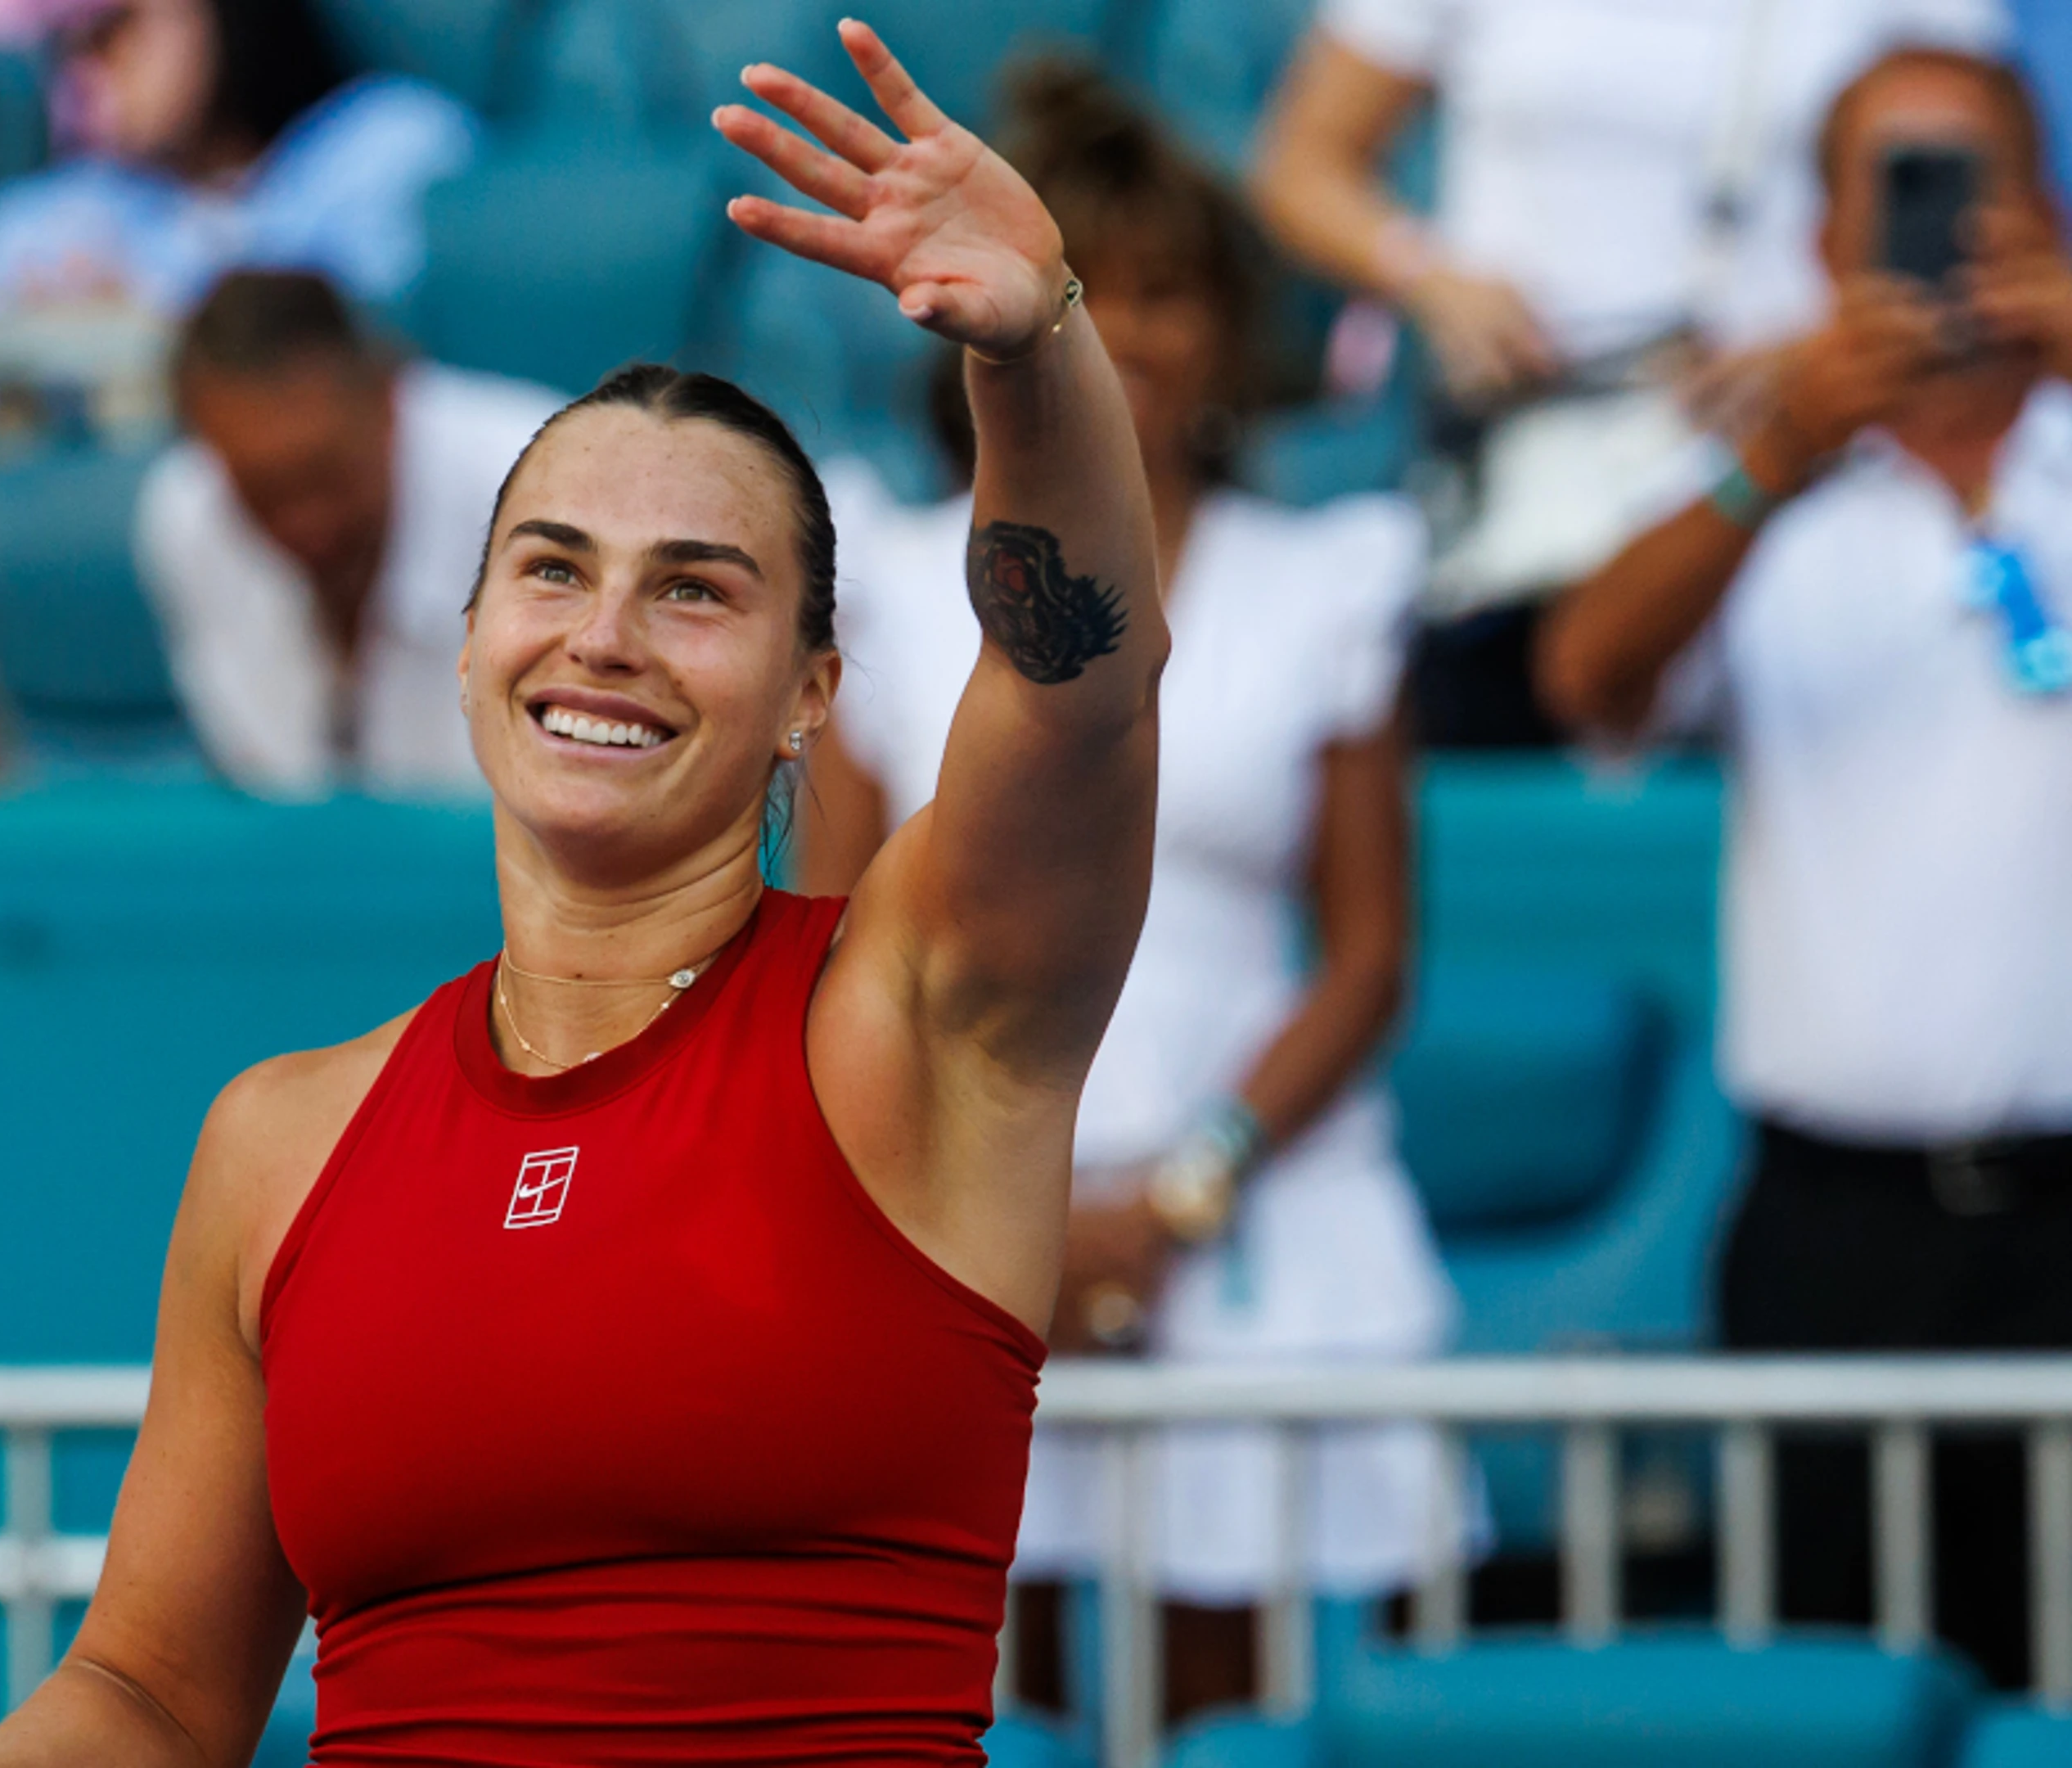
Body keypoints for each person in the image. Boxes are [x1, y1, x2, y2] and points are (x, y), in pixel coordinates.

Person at [0, 21, 1161, 1766]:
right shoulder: (278, 1146)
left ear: (811, 692)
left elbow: (1079, 687)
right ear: (468, 647)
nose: (603, 635)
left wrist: (1035, 350)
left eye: (695, 591)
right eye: (552, 570)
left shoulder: (924, 1017)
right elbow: (149, 1691)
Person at [809, 61, 1446, 1721]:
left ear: (1227, 330)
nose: (1127, 335)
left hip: (1249, 1228)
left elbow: (1369, 960)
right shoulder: (877, 571)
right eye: (1084, 287)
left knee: (1220, 1711)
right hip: (952, 1227)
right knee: (966, 1701)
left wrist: (1179, 1201)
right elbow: (837, 944)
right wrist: (1006, 1219)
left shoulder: (1333, 580)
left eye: (1160, 294)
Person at [1534, 47, 2072, 1691]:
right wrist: (1778, 453)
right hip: (1836, 1227)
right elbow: (1586, 678)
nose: (1945, 229)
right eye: (1899, 187)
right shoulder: (1759, 499)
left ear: (2046, 205)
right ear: (1826, 239)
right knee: (1837, 1692)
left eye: (1975, 178)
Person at [1250, 0, 2007, 745]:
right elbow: (1302, 162)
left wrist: (1821, 350)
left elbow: (1979, 164)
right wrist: (1432, 278)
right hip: (1533, 475)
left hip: (1802, 467)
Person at [136, 269, 557, 799]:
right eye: (261, 494)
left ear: (388, 399)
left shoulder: (551, 502)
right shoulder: (185, 518)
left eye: (326, 475)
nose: (304, 522)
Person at [0, 0, 474, 326]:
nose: (86, 73)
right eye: (67, 48)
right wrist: (17, 313)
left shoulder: (388, 139)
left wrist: (148, 310)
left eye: (114, 29)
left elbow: (379, 328)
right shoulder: (87, 196)